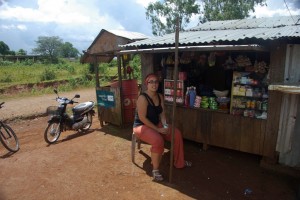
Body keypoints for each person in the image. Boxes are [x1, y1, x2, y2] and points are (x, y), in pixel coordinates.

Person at [133, 73, 192, 182]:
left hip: (156, 124)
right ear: (147, 84)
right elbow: (142, 118)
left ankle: (179, 162)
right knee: (158, 140)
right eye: (151, 82)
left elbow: (162, 114)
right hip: (141, 126)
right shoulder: (142, 98)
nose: (154, 84)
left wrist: (164, 126)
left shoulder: (160, 96)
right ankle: (155, 170)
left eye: (156, 81)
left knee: (176, 133)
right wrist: (158, 130)